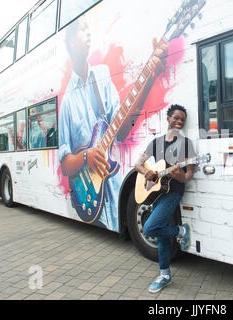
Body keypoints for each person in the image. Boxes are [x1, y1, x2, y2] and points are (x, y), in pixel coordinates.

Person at [58, 17, 167, 230]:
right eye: (82, 29)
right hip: (89, 200)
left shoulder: (102, 75)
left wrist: (149, 80)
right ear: (71, 41)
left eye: (89, 28)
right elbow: (65, 164)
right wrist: (86, 156)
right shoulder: (67, 102)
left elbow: (121, 130)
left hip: (113, 189)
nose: (88, 33)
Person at [134, 104, 196, 293]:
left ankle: (180, 231)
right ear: (168, 119)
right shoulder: (156, 143)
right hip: (156, 193)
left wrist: (178, 174)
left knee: (150, 227)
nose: (179, 121)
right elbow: (138, 164)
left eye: (182, 119)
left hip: (173, 192)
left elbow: (188, 176)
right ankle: (165, 275)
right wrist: (148, 173)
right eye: (176, 117)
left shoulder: (186, 144)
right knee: (160, 232)